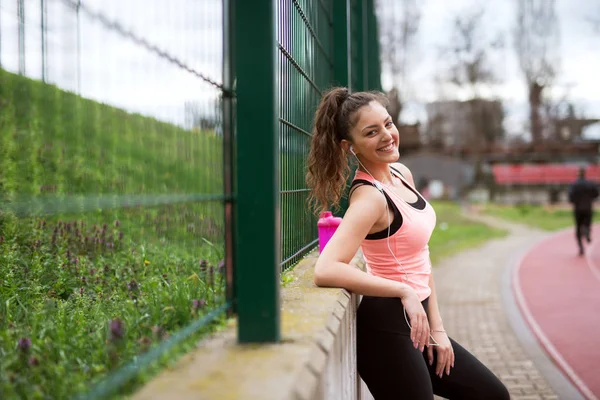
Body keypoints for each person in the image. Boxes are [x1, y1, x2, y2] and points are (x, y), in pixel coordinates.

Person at [306, 87, 509, 400]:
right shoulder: (369, 198)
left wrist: (437, 328)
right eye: (371, 132)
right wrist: (402, 290)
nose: (387, 136)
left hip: (420, 320)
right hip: (386, 329)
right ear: (350, 146)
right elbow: (326, 268)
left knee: (492, 394)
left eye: (388, 124)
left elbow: (421, 257)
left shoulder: (401, 174)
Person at [568, 167, 599, 256]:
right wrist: (590, 198)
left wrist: (575, 201)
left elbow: (570, 197)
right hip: (588, 207)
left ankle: (581, 247)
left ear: (578, 174)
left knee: (578, 227)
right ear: (585, 174)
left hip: (577, 208)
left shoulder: (573, 184)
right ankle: (586, 231)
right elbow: (596, 194)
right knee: (587, 223)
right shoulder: (590, 184)